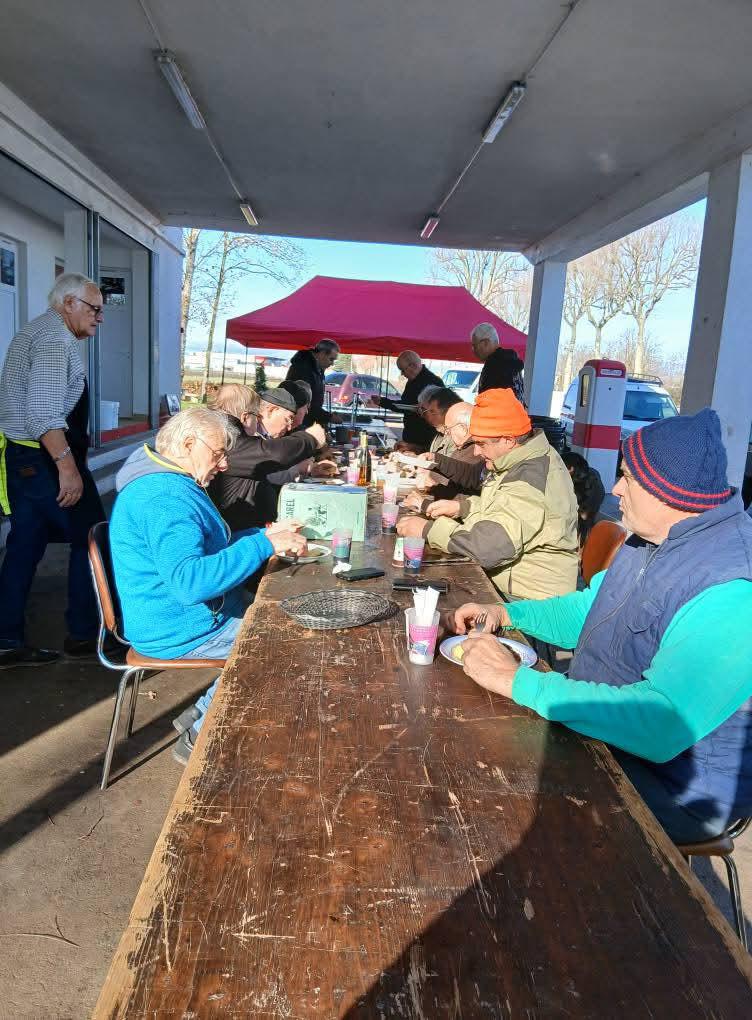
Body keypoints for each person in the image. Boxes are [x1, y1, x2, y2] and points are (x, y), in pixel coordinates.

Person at [453, 408, 752, 843]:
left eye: (628, 478)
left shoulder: (733, 587)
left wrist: (515, 681)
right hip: (608, 735)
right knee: (478, 744)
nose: (615, 489)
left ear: (669, 493)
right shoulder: (652, 537)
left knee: (500, 796)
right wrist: (508, 614)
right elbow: (590, 610)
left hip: (680, 785)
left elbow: (661, 725)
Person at [110, 407, 306, 763]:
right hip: (177, 627)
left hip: (175, 616)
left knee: (279, 620)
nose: (224, 465)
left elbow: (206, 549)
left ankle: (201, 712)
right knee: (283, 644)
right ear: (187, 444)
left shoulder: (165, 479)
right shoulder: (165, 498)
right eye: (218, 454)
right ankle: (201, 735)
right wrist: (263, 545)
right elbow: (190, 584)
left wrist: (262, 535)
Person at [0, 273, 108, 666]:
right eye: (94, 309)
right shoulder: (52, 341)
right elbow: (42, 414)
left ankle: (6, 637)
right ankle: (83, 633)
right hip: (44, 460)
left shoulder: (37, 332)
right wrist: (67, 467)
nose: (99, 317)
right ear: (69, 304)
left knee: (25, 545)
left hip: (23, 459)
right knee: (92, 535)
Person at [397, 388, 579, 600]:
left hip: (528, 600)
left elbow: (487, 548)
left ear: (509, 440)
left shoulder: (529, 478)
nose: (476, 452)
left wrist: (428, 529)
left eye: (481, 443)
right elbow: (504, 507)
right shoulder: (522, 457)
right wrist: (463, 507)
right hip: (510, 584)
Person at [208, 386, 328, 530]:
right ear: (245, 417)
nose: (258, 420)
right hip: (236, 535)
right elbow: (274, 454)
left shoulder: (226, 436)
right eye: (255, 416)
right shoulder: (229, 440)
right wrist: (310, 438)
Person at [372, 350, 443, 450]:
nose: (402, 374)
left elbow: (408, 406)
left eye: (402, 370)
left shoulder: (433, 382)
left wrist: (384, 402)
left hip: (424, 439)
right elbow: (405, 405)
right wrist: (383, 402)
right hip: (411, 436)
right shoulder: (412, 381)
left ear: (413, 366)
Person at [285, 339, 340, 427]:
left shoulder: (317, 370)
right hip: (297, 423)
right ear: (322, 354)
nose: (332, 363)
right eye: (331, 359)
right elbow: (304, 402)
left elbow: (315, 401)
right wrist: (328, 417)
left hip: (306, 422)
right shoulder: (303, 368)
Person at [561, 449, 606, 546]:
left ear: (571, 469)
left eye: (560, 466)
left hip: (589, 499)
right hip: (579, 492)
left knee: (585, 524)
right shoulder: (568, 482)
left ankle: (582, 550)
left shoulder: (590, 491)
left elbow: (585, 520)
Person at [471, 323, 525, 401]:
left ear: (486, 342)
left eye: (474, 345)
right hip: (517, 412)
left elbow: (487, 403)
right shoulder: (512, 361)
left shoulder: (493, 366)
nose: (473, 350)